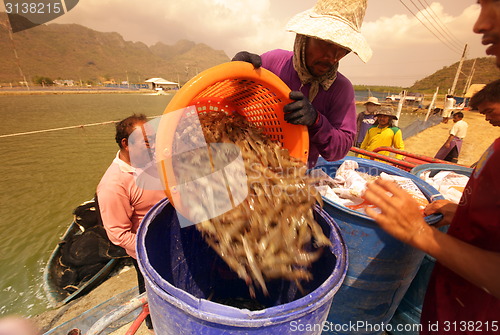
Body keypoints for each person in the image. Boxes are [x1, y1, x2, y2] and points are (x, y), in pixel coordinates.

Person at [363, 86, 500, 331]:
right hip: (454, 295)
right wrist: (461, 212)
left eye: (490, 111)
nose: (489, 49)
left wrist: (419, 232)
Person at [232, 0, 372, 167]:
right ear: (305, 39)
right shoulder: (273, 62)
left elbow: (340, 149)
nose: (333, 57)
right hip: (251, 159)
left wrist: (317, 121)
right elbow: (235, 102)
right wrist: (238, 72)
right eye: (326, 43)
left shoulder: (341, 89)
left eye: (343, 49)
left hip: (296, 173)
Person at [96, 114, 165, 330]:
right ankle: (155, 325)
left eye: (154, 139)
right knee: (155, 298)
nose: (154, 145)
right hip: (149, 252)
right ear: (126, 144)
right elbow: (117, 233)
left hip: (171, 234)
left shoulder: (152, 161)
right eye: (146, 142)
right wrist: (151, 249)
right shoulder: (114, 184)